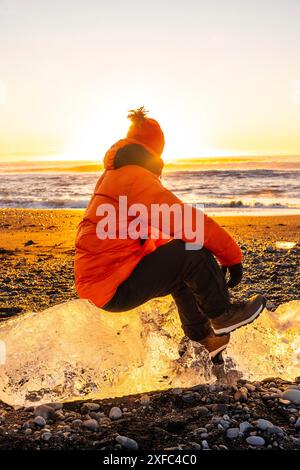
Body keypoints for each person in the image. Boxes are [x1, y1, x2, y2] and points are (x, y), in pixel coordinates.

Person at [74, 107, 266, 359]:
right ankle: (222, 315)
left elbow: (156, 231)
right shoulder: (134, 178)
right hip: (111, 285)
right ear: (156, 149)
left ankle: (204, 340)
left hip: (104, 279)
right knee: (192, 251)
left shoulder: (118, 175)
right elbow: (187, 221)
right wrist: (231, 255)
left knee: (182, 265)